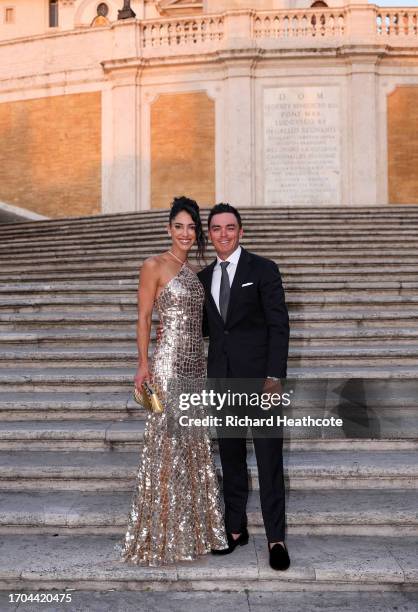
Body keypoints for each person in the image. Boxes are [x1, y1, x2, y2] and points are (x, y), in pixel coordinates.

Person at [120, 196, 227, 566]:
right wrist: (142, 363)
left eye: (191, 227)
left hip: (196, 368)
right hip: (167, 367)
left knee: (192, 449)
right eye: (178, 226)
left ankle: (192, 533)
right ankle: (163, 534)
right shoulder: (154, 265)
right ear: (168, 228)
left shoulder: (196, 273)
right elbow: (144, 318)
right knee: (166, 449)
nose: (185, 233)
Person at [197, 203, 290, 571]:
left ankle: (276, 538)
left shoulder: (263, 269)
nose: (223, 234)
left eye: (230, 227)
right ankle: (235, 528)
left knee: (269, 461)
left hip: (260, 381)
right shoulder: (203, 277)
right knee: (231, 458)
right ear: (210, 234)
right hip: (221, 380)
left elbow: (278, 325)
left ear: (240, 231)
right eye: (216, 228)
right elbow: (209, 328)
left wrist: (274, 376)